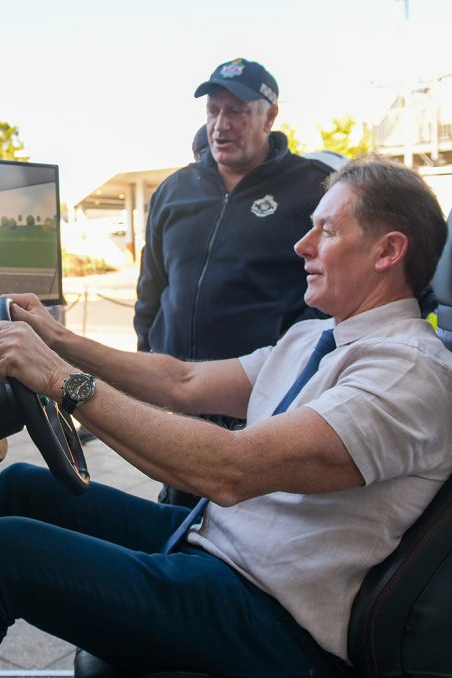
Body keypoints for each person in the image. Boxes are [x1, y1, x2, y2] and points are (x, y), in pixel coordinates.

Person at [0, 157, 452, 676]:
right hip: (211, 550)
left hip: (269, 617)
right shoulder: (318, 339)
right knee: (23, 488)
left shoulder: (407, 373)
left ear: (388, 250)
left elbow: (230, 471)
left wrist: (59, 381)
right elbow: (182, 382)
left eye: (327, 231)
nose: (302, 246)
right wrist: (58, 339)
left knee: (1, 555)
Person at [134, 58, 331, 507]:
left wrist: (291, 360)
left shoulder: (311, 187)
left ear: (270, 115)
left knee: (240, 517)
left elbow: (332, 291)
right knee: (177, 511)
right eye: (214, 111)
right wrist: (147, 357)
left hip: (257, 399)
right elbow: (152, 287)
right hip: (177, 393)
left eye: (238, 111)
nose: (222, 125)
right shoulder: (174, 190)